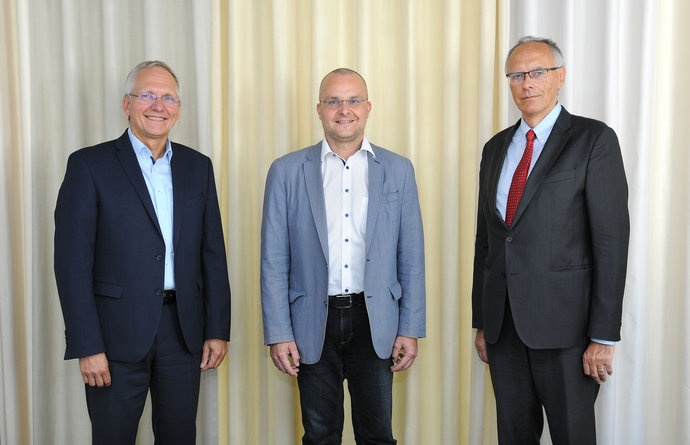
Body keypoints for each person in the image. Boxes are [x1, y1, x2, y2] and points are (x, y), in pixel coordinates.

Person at [54, 60, 231, 445]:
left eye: (168, 97)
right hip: (114, 338)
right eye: (147, 95)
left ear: (179, 109)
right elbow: (71, 265)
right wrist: (88, 344)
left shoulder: (198, 167)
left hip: (183, 335)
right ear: (127, 104)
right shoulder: (89, 165)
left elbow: (212, 254)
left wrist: (217, 329)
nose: (158, 105)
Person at [472, 36, 630, 444]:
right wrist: (482, 322)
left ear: (559, 77)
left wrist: (603, 335)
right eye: (517, 75)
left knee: (572, 436)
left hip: (568, 333)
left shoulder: (593, 140)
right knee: (513, 435)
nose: (527, 83)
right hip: (504, 330)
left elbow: (611, 242)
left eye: (538, 72)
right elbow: (486, 244)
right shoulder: (494, 150)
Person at [260, 68, 426, 444]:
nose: (343, 109)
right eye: (333, 101)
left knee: (378, 434)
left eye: (353, 100)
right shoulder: (286, 172)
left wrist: (410, 328)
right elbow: (273, 259)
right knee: (319, 435)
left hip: (376, 322)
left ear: (368, 108)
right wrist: (279, 333)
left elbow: (411, 254)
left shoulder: (398, 170)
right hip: (310, 324)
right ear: (319, 109)